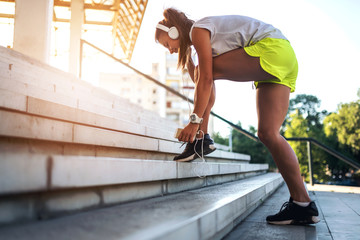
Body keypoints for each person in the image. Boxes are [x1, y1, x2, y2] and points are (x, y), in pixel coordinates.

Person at [155, 8, 320, 225]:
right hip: (284, 57)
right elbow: (207, 89)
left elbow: (205, 80)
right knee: (268, 133)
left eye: (168, 44)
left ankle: (202, 138)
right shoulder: (195, 48)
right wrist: (199, 124)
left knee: (203, 73)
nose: (170, 51)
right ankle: (303, 205)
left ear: (174, 32)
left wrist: (194, 123)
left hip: (272, 49)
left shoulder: (198, 30)